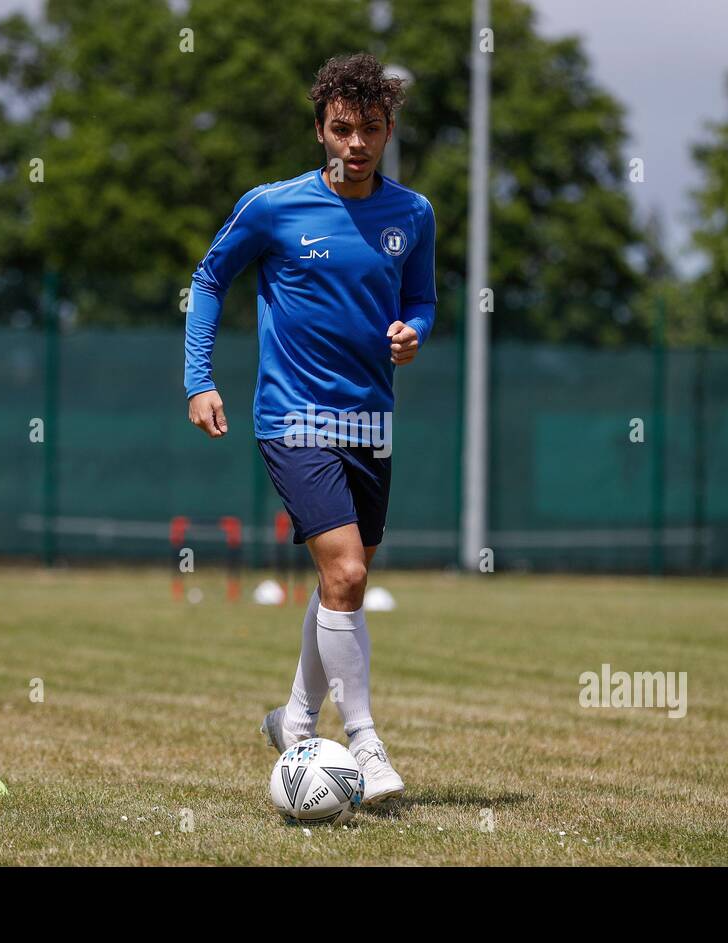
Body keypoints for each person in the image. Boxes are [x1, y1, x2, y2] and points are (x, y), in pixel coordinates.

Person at [183, 52, 436, 804]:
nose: (356, 143)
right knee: (349, 573)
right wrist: (199, 379)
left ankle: (294, 721)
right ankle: (364, 741)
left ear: (389, 129)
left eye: (371, 129)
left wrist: (411, 332)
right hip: (292, 415)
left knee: (341, 585)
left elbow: (420, 299)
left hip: (371, 420)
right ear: (321, 129)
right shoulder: (272, 206)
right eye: (341, 129)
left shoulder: (412, 214)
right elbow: (208, 279)